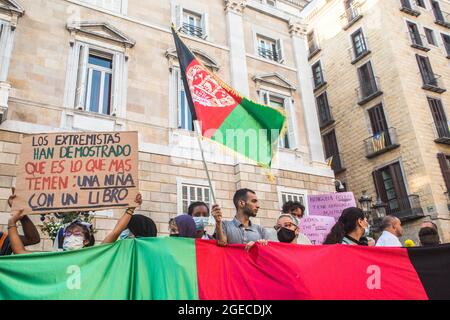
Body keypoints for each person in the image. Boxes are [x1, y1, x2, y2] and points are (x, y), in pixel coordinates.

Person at [8, 210, 95, 254]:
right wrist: (12, 223)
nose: (71, 236)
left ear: (86, 241)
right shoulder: (54, 257)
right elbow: (20, 251)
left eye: (76, 233)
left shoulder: (92, 257)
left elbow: (106, 244)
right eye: (68, 233)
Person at [1, 188, 40, 256]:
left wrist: (19, 211)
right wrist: (12, 223)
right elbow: (20, 251)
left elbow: (33, 239)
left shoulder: (2, 238)